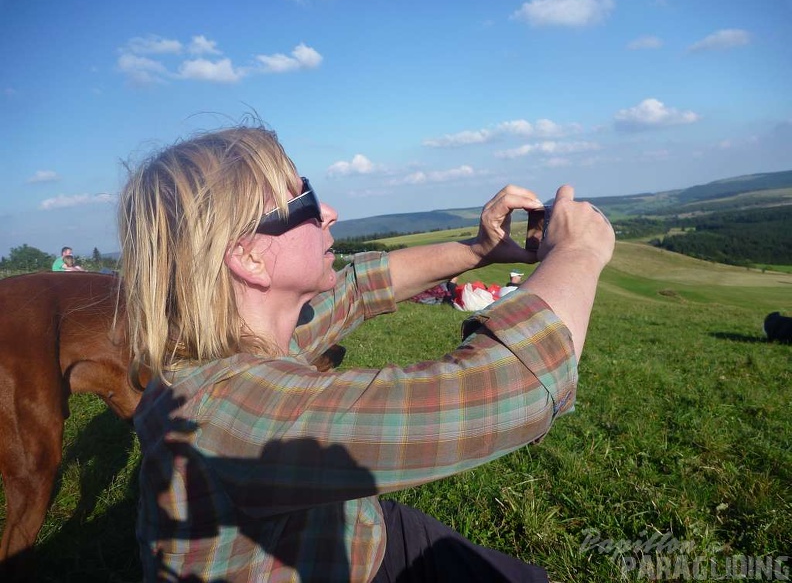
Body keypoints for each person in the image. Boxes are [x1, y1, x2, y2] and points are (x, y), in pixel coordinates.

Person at [119, 124, 614, 583]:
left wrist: (481, 248)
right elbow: (512, 389)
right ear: (248, 257)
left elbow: (358, 286)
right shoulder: (230, 411)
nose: (328, 212)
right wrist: (578, 252)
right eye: (304, 199)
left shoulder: (237, 340)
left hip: (356, 531)